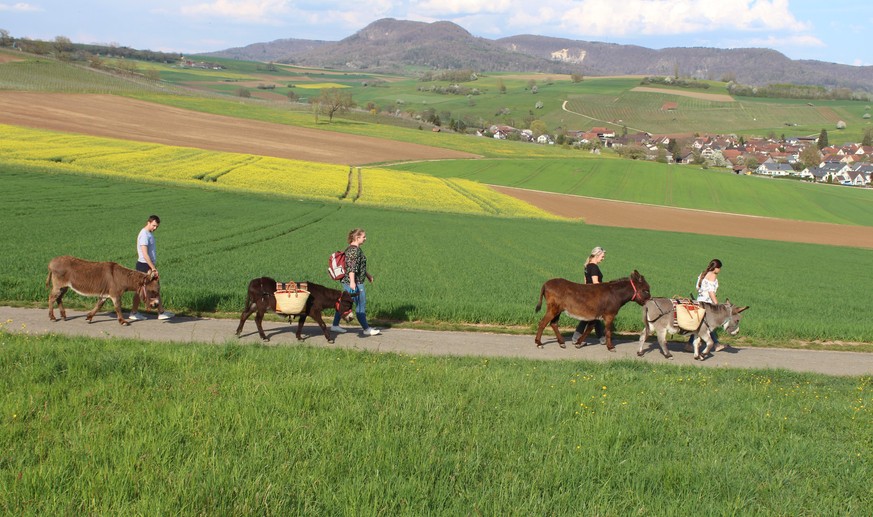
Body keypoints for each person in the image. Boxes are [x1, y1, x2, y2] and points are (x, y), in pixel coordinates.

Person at [330, 228, 380, 336]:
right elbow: (351, 268)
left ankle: (335, 325)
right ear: (357, 238)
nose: (365, 239)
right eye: (363, 237)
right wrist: (353, 282)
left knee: (344, 303)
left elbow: (358, 266)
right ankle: (367, 329)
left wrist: (367, 275)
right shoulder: (354, 250)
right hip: (354, 282)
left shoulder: (351, 249)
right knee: (361, 304)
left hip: (351, 281)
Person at [128, 215, 174, 321]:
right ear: (148, 222)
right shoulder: (144, 234)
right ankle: (134, 312)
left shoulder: (149, 234)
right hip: (144, 265)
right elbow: (144, 254)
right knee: (140, 290)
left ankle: (161, 312)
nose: (155, 228)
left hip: (148, 265)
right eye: (153, 225)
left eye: (156, 226)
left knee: (155, 287)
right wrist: (153, 268)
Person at [571, 246, 607, 345]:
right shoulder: (594, 267)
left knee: (595, 317)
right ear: (597, 255)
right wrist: (606, 288)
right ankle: (576, 338)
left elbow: (586, 282)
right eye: (602, 256)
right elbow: (595, 283)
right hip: (594, 296)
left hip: (587, 294)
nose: (603, 259)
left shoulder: (587, 266)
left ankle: (602, 338)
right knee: (590, 317)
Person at [687, 258, 723, 352]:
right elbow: (711, 292)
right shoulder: (713, 276)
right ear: (716, 268)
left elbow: (697, 288)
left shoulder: (703, 274)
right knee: (709, 325)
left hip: (699, 301)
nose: (719, 270)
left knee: (699, 325)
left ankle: (689, 344)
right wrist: (716, 304)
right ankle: (716, 344)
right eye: (719, 268)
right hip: (707, 304)